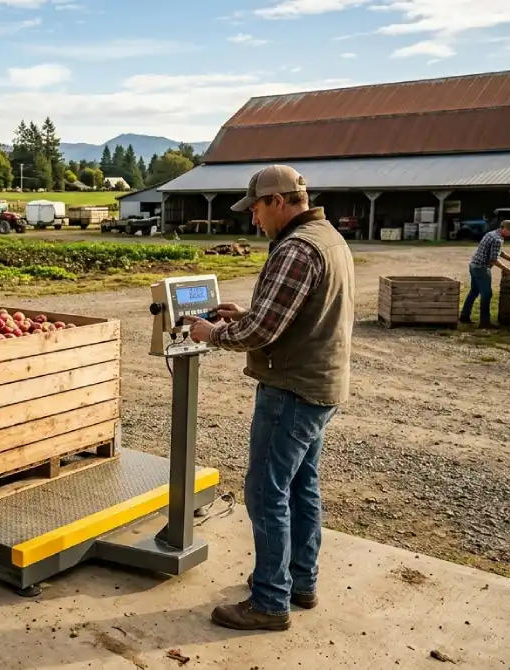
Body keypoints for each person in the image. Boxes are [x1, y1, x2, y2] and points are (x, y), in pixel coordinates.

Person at [183, 165, 355, 632]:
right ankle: (299, 581)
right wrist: (247, 312)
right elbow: (293, 313)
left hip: (291, 390)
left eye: (257, 208)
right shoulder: (327, 237)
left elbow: (263, 331)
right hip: (320, 386)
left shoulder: (297, 249)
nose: (254, 219)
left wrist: (213, 332)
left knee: (265, 492)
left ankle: (269, 602)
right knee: (302, 486)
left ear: (279, 201)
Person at [460, 220, 510, 327]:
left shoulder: (491, 234)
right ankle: (484, 321)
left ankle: (464, 315)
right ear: (503, 228)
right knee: (487, 294)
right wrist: (508, 271)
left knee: (474, 291)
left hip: (473, 265)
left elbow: (498, 251)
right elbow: (494, 260)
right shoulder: (497, 239)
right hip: (482, 268)